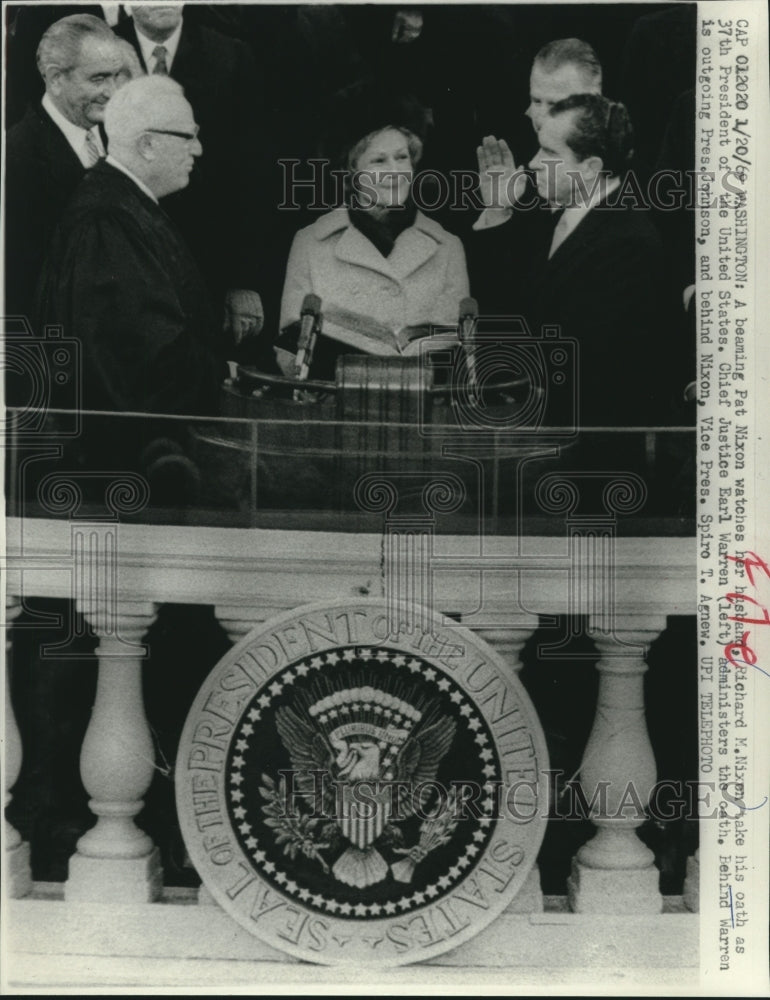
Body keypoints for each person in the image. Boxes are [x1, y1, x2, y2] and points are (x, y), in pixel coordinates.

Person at [471, 93, 680, 427]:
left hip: (586, 452)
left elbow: (575, 366)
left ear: (591, 167)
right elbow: (516, 305)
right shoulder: (560, 215)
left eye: (550, 152)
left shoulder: (629, 244)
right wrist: (497, 209)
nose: (533, 162)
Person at [35, 75, 223, 417]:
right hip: (134, 453)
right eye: (188, 136)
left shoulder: (122, 205)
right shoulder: (108, 221)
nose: (198, 148)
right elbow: (146, 359)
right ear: (147, 145)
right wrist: (223, 378)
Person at [275, 90, 470, 380]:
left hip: (419, 413)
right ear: (352, 172)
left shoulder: (447, 246)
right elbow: (290, 354)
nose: (395, 171)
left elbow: (456, 352)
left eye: (402, 158)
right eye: (379, 161)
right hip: (338, 410)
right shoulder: (310, 242)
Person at [116, 4, 265, 344]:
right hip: (126, 258)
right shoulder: (104, 50)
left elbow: (252, 174)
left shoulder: (231, 55)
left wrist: (242, 278)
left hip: (207, 261)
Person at [5, 14, 125, 319]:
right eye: (98, 79)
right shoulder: (16, 159)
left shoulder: (124, 138)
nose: (112, 92)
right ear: (56, 78)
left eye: (116, 76)